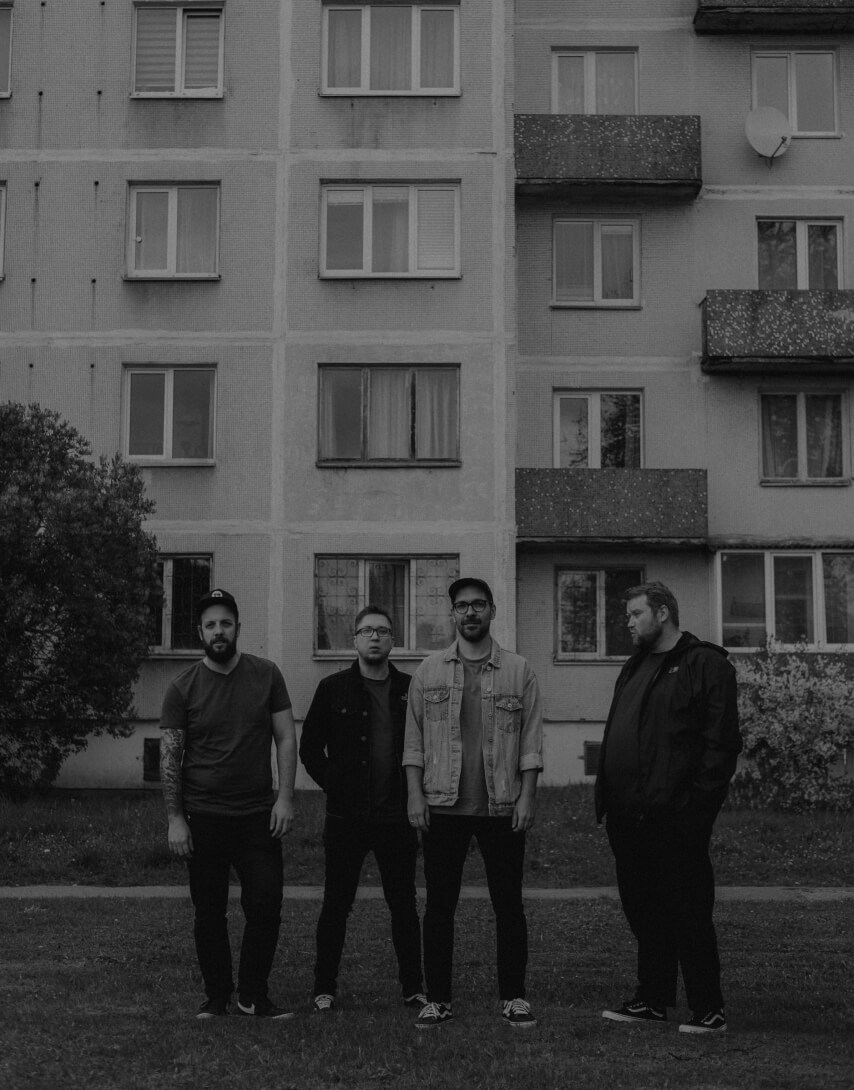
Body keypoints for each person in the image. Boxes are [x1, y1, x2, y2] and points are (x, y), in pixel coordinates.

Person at [595, 580, 742, 1035]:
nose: (628, 623)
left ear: (662, 613)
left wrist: (695, 811)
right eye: (627, 615)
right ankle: (652, 999)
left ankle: (708, 1009)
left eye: (635, 614)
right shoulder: (635, 665)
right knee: (644, 912)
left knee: (689, 913)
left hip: (676, 818)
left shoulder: (705, 664)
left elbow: (721, 746)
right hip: (627, 817)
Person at [403, 577, 543, 1030]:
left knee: (509, 905)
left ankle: (514, 997)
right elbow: (413, 742)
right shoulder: (429, 671)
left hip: (502, 807)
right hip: (443, 807)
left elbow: (531, 741)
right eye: (462, 606)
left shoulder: (519, 670)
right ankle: (438, 1000)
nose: (470, 613)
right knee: (439, 907)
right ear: (452, 613)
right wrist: (415, 795)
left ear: (492, 611)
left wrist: (527, 795)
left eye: (479, 604)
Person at [160, 588, 298, 1020]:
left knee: (266, 904)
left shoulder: (266, 674)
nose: (218, 631)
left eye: (225, 623)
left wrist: (285, 798)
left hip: (257, 816)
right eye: (210, 625)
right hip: (204, 818)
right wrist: (175, 819)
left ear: (238, 627)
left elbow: (285, 737)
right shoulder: (182, 687)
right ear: (199, 632)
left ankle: (253, 995)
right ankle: (217, 996)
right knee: (209, 912)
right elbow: (170, 757)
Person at [299, 605, 425, 1013]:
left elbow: (425, 746)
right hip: (346, 819)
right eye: (367, 631)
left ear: (393, 641)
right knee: (336, 905)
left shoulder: (411, 690)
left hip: (396, 818)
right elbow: (309, 748)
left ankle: (414, 988)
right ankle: (324, 987)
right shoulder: (332, 688)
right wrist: (335, 785)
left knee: (403, 905)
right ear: (354, 640)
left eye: (383, 631)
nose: (375, 637)